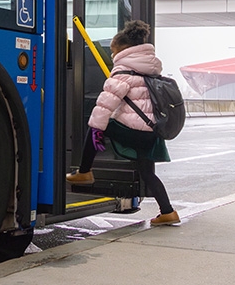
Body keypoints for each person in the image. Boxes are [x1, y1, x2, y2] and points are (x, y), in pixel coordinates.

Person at [65, 20, 178, 226]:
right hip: (151, 131)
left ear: (123, 51)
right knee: (147, 173)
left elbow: (104, 106)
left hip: (135, 130)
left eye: (113, 52)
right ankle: (168, 211)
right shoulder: (151, 69)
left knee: (96, 126)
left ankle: (84, 172)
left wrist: (98, 129)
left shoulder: (123, 72)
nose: (112, 56)